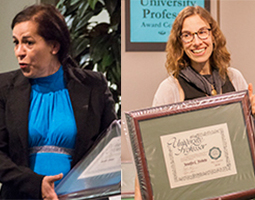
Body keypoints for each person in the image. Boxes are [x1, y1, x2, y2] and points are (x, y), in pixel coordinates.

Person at [135, 5, 255, 199]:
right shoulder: (171, 88)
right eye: (187, 35)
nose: (197, 41)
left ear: (213, 35)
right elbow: (148, 153)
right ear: (180, 43)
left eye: (202, 32)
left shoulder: (234, 78)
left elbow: (247, 142)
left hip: (236, 191)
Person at [0, 4, 116, 199]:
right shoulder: (4, 88)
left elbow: (111, 146)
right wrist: (37, 185)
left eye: (28, 42)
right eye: (16, 42)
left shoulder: (93, 86)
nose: (19, 51)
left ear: (54, 46)